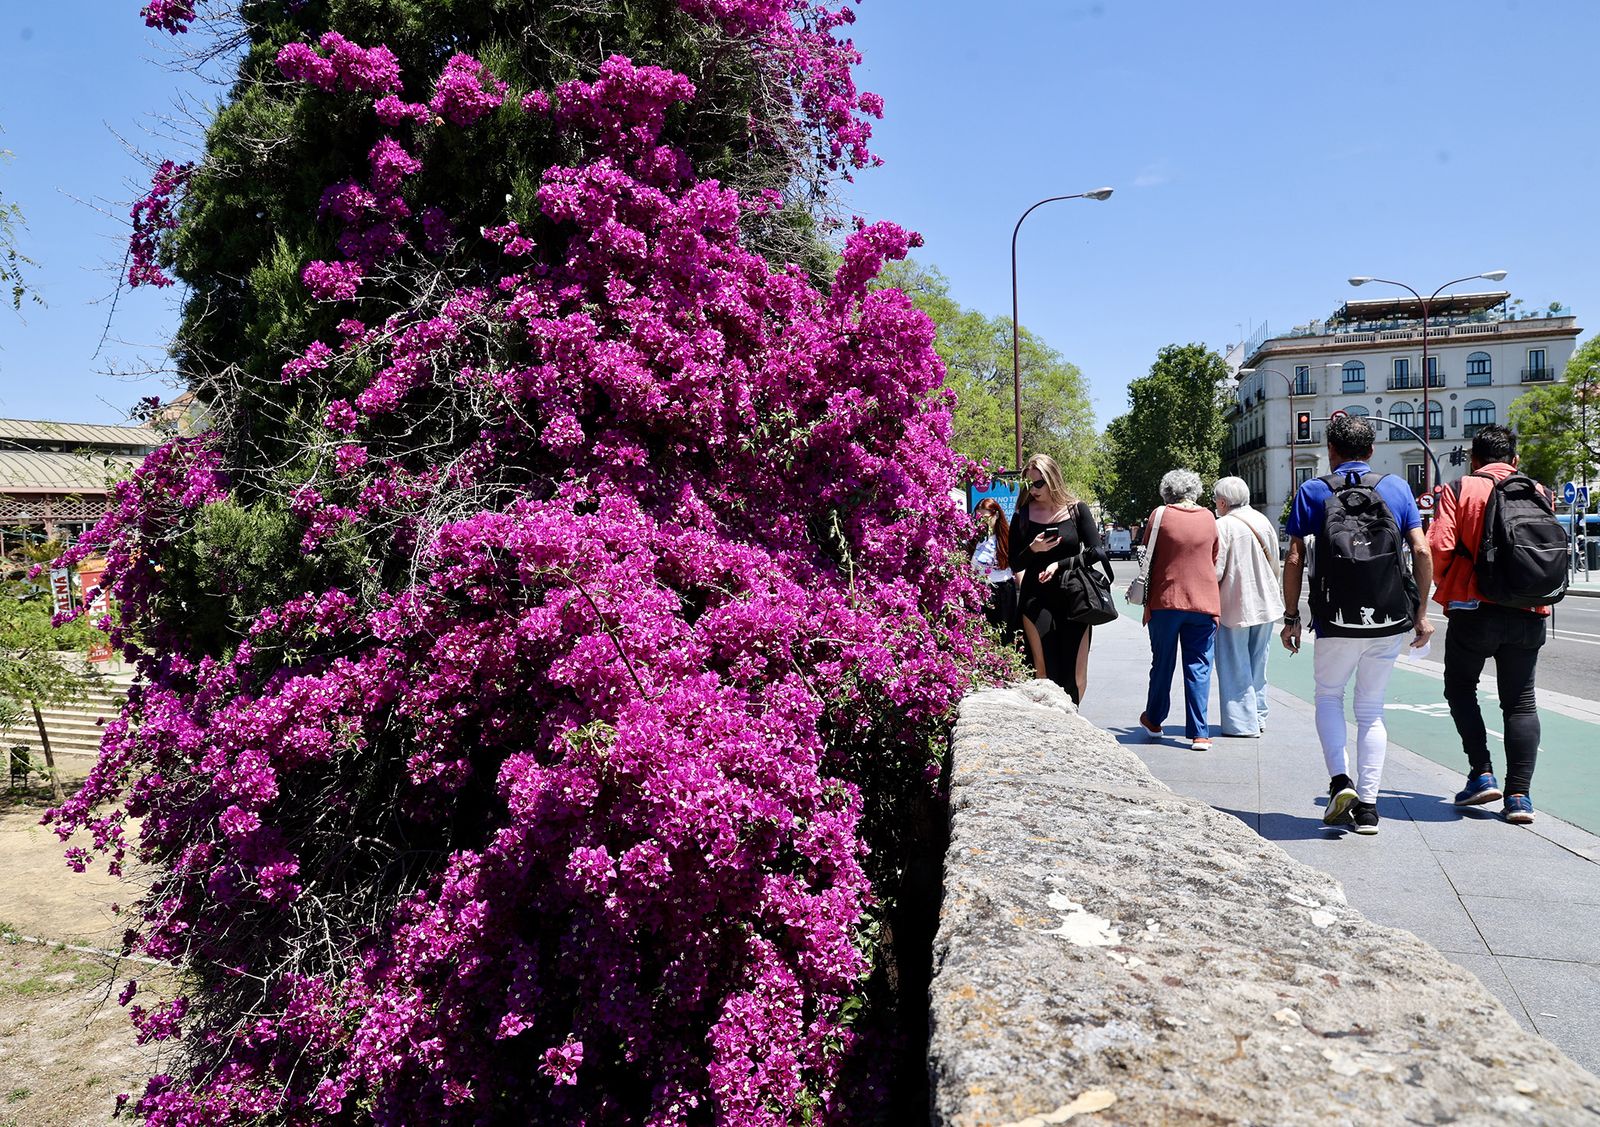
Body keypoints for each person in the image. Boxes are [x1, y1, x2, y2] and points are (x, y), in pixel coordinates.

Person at [1281, 414, 1433, 836]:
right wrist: (1420, 613)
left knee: (1329, 697)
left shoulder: (1313, 490)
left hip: (1335, 616)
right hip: (1389, 617)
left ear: (1331, 451)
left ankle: (1339, 782)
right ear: (1370, 452)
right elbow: (1421, 551)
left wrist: (1291, 617)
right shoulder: (1396, 487)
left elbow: (1294, 557)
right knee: (1371, 709)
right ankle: (1368, 808)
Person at [1429, 424, 1550, 825]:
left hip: (1473, 608)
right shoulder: (1538, 490)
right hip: (1528, 610)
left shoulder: (1460, 489)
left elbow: (1439, 548)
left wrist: (1447, 585)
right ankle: (1519, 797)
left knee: (1460, 688)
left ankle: (1481, 772)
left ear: (1474, 459)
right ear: (1514, 460)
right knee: (1520, 702)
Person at [1010, 453, 1113, 705]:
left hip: (1074, 597)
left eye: (1038, 484)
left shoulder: (1076, 510)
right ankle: (1047, 728)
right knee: (1043, 673)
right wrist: (1033, 549)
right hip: (1035, 600)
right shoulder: (1022, 515)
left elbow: (1095, 552)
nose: (1033, 490)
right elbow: (1014, 563)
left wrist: (1060, 563)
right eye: (1028, 484)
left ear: (1052, 479)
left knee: (1074, 675)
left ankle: (1072, 723)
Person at [1134, 469, 1220, 751]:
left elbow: (1147, 553)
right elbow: (1214, 555)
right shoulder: (1209, 517)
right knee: (1199, 666)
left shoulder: (1160, 515)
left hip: (1166, 600)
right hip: (1204, 601)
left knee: (1162, 663)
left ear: (1167, 491)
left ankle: (1155, 718)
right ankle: (1200, 733)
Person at [1212, 476, 1284, 737]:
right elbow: (1276, 559)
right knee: (1258, 662)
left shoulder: (1223, 525)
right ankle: (1259, 715)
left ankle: (1241, 723)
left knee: (1234, 663)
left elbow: (1216, 569)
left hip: (1236, 603)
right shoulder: (1262, 520)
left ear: (1222, 501)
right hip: (1266, 602)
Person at [971, 497, 1017, 647]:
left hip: (1003, 588)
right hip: (979, 588)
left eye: (985, 517)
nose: (981, 522)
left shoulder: (1005, 537)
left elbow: (1016, 564)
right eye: (978, 517)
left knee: (1004, 633)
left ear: (995, 515)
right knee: (981, 633)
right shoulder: (972, 538)